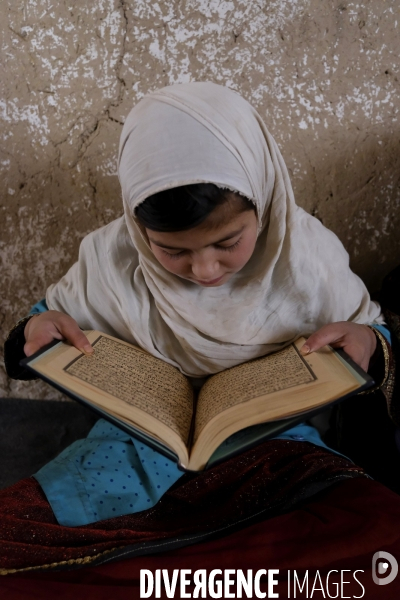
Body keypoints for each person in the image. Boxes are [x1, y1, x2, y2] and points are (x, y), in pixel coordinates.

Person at [2, 82, 399, 576]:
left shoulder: (307, 258)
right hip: (130, 450)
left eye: (227, 242)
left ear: (264, 198)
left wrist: (366, 345)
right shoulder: (112, 259)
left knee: (372, 546)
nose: (206, 271)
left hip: (277, 450)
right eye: (172, 252)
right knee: (24, 551)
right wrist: (34, 332)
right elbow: (37, 334)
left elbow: (375, 342)